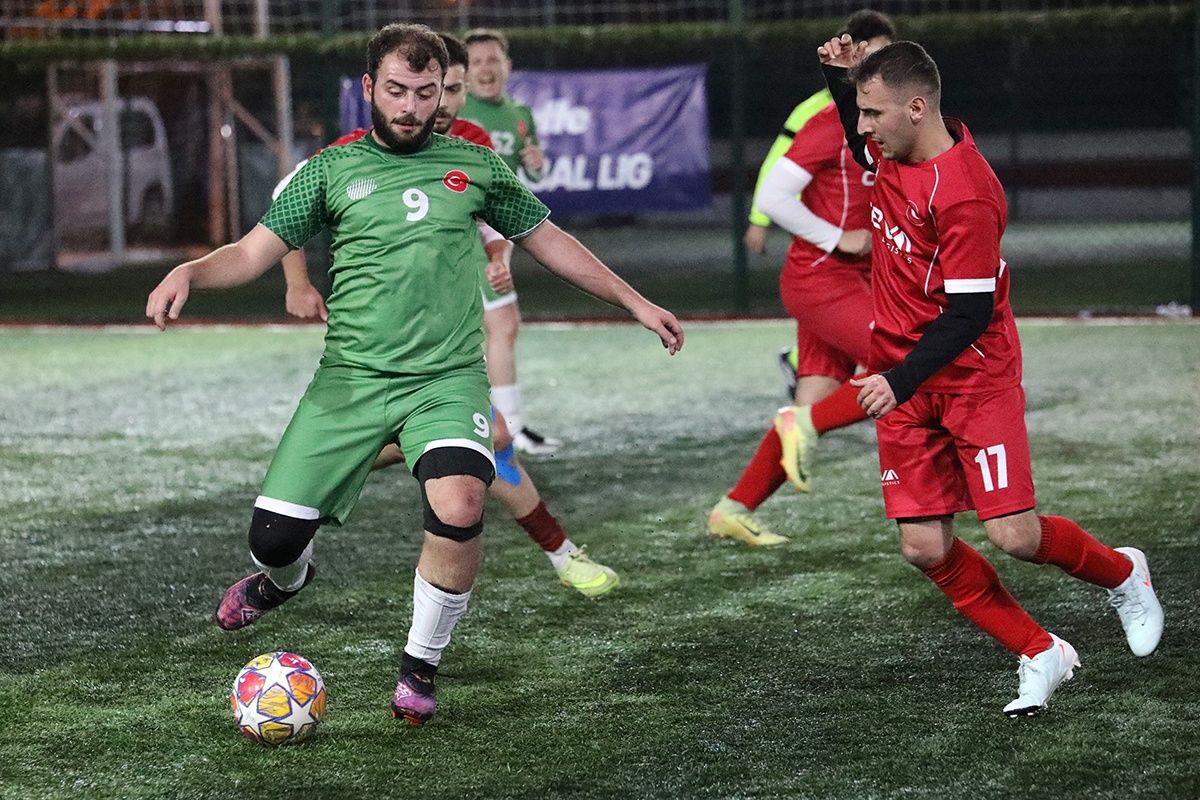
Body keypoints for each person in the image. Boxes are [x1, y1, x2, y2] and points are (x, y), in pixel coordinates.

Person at [146, 23, 682, 727]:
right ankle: (284, 582)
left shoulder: (477, 165)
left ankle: (419, 668)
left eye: (425, 93)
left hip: (447, 381)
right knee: (272, 541)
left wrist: (634, 301)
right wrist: (190, 271)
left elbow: (550, 241)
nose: (410, 107)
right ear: (370, 88)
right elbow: (250, 253)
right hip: (350, 382)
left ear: (441, 94)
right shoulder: (331, 170)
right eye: (397, 91)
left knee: (459, 504)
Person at [816, 35, 1163, 716]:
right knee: (923, 548)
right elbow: (860, 137)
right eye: (860, 111)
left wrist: (899, 381)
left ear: (917, 109)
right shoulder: (891, 151)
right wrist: (839, 78)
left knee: (1016, 537)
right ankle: (1041, 651)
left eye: (873, 112)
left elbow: (969, 315)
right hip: (907, 380)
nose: (862, 127)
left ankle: (1125, 574)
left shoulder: (966, 192)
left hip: (973, 378)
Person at [275, 33, 619, 599]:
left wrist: (499, 257)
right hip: (383, 346)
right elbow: (283, 205)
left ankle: (559, 553)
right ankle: (558, 550)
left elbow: (503, 218)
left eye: (452, 91)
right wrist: (297, 282)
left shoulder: (473, 145)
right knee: (492, 438)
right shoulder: (353, 153)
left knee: (493, 434)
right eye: (444, 89)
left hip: (452, 321)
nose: (446, 103)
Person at [708, 11, 895, 547]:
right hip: (824, 280)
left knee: (813, 404)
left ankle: (733, 508)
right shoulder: (830, 120)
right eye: (871, 55)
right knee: (906, 365)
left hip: (848, 281)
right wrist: (840, 239)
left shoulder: (881, 121)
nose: (880, 66)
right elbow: (772, 194)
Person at [459, 27, 559, 456]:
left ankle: (503, 426)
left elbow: (528, 176)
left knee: (497, 326)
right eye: (476, 61)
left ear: (507, 65)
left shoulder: (520, 113)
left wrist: (537, 166)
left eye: (492, 60)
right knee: (500, 324)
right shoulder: (459, 114)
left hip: (497, 233)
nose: (486, 69)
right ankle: (504, 428)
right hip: (469, 233)